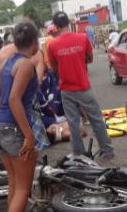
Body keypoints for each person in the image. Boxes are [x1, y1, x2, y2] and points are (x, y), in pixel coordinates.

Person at [0, 20, 47, 212]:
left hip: (1, 129)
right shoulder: (24, 65)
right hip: (15, 131)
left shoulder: (6, 64)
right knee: (23, 188)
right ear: (34, 42)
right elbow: (14, 100)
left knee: (14, 187)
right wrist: (29, 135)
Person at [48, 11, 115, 162]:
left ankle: (78, 155)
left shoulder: (52, 45)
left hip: (66, 89)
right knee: (96, 119)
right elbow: (90, 59)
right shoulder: (83, 38)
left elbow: (54, 68)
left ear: (56, 27)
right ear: (68, 23)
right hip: (83, 87)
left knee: (73, 123)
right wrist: (77, 60)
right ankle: (107, 150)